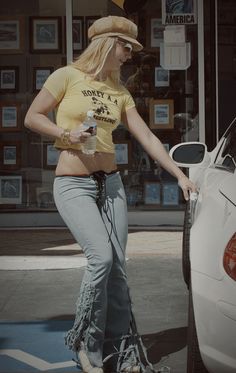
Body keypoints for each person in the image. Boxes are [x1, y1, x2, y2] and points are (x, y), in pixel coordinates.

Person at [24, 15, 196, 373]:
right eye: (126, 47)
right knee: (101, 258)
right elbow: (32, 116)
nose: (130, 55)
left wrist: (179, 175)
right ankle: (87, 344)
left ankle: (120, 350)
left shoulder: (120, 91)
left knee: (117, 269)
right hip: (73, 185)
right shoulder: (66, 76)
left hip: (111, 184)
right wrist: (65, 134)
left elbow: (147, 137)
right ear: (107, 44)